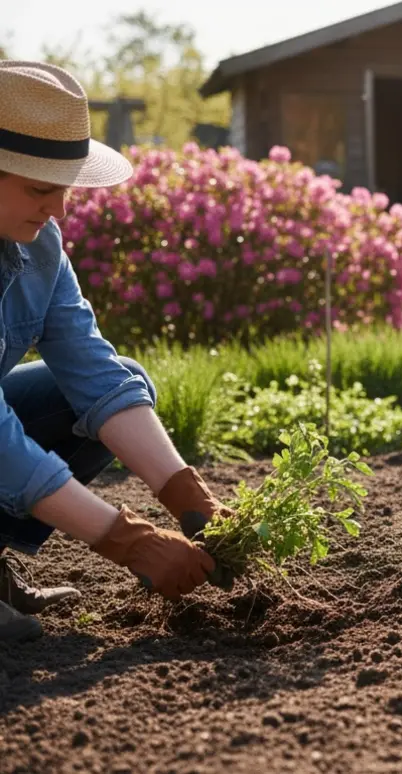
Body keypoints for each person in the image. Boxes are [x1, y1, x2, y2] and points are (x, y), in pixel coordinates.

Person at [0, 60, 233, 643]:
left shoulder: (41, 244)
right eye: (39, 187)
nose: (58, 210)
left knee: (104, 387)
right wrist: (124, 539)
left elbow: (93, 369)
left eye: (66, 190)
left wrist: (186, 492)